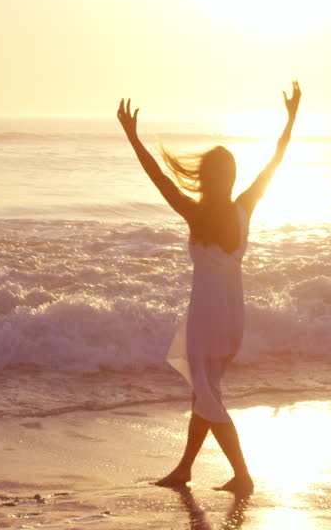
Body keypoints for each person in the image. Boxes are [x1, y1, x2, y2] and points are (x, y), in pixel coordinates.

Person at [116, 81, 301, 495]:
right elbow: (275, 162)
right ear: (231, 177)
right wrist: (290, 120)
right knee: (205, 393)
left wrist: (132, 137)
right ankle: (184, 469)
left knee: (208, 396)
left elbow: (158, 178)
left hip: (206, 320)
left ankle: (243, 475)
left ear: (206, 178)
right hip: (232, 317)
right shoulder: (244, 207)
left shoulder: (196, 214)